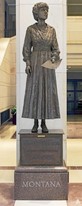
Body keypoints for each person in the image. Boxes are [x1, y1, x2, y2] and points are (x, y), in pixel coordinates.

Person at [22, 2, 60, 133]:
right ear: (36, 13)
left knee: (47, 91)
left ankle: (44, 122)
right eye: (43, 10)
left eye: (47, 10)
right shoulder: (30, 30)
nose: (46, 12)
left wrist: (54, 57)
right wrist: (27, 63)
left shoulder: (51, 30)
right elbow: (26, 48)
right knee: (35, 90)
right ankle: (35, 121)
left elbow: (56, 48)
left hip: (48, 64)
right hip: (35, 62)